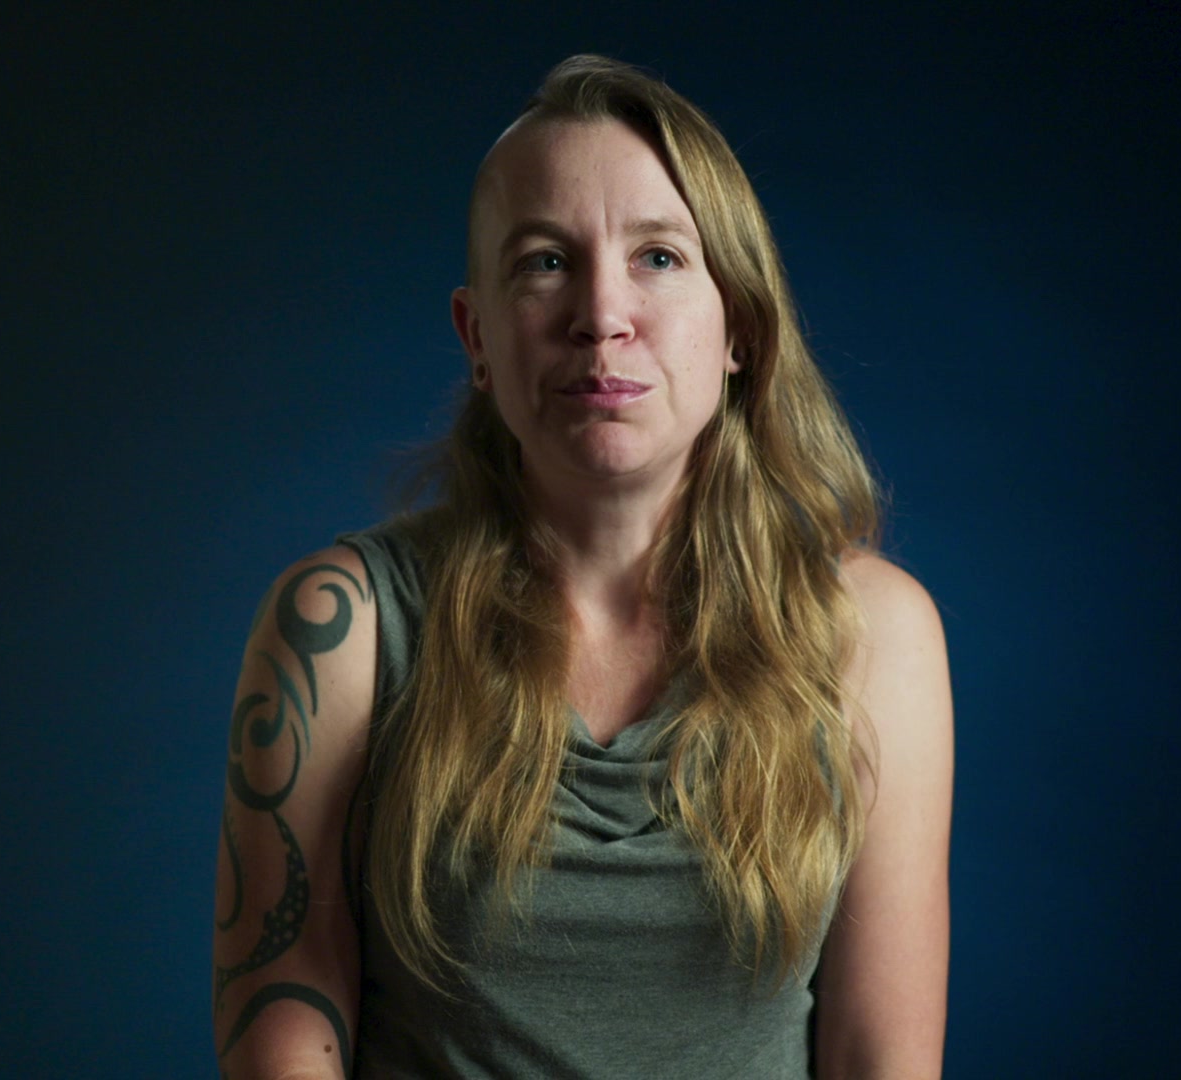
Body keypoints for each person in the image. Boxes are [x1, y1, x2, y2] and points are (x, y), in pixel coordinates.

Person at [211, 55, 953, 1079]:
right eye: (545, 261)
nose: (602, 314)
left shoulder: (872, 636)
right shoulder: (343, 627)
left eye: (659, 257)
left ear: (739, 326)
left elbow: (882, 1055)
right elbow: (284, 1032)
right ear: (477, 335)